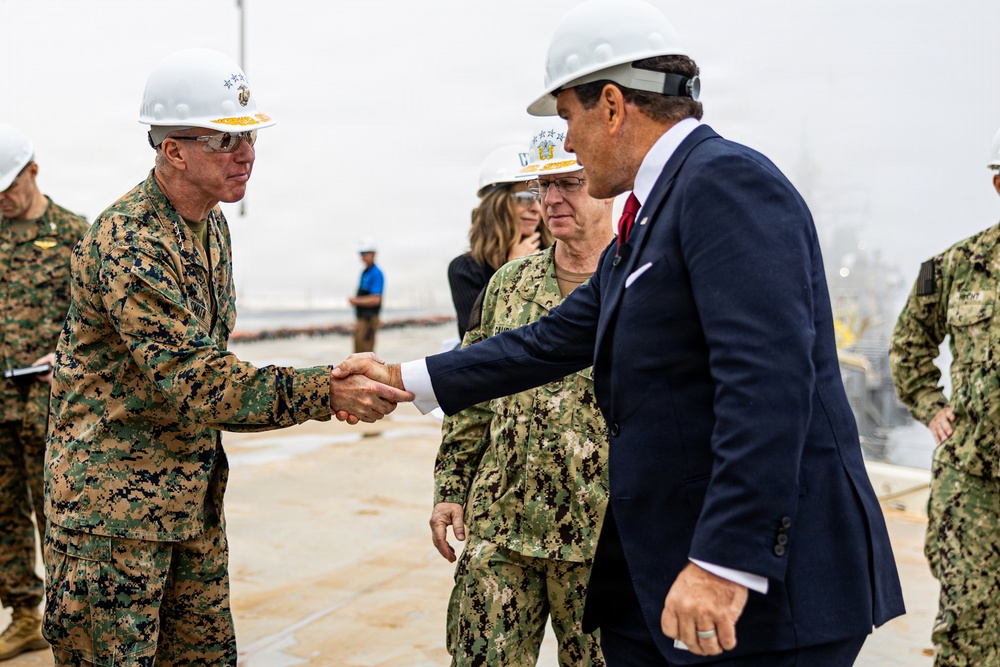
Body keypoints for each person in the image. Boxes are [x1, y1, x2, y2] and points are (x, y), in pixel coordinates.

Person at [335, 1, 905, 664]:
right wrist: (406, 378)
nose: (568, 141)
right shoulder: (650, 216)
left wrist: (724, 560)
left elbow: (768, 384)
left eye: (567, 118)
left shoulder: (725, 184)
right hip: (661, 572)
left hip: (760, 600)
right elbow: (548, 340)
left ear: (610, 105)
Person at [41, 48, 410, 667]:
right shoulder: (128, 241)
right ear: (172, 150)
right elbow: (197, 380)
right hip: (112, 518)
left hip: (189, 502)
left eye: (250, 138)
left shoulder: (210, 226)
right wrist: (327, 389)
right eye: (224, 141)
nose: (247, 156)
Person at [431, 123, 613, 666]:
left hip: (601, 538)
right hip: (500, 530)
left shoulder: (638, 285)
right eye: (541, 187)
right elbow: (473, 391)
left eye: (570, 184)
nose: (550, 200)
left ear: (607, 186)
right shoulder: (508, 283)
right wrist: (450, 486)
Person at [889, 126, 1000, 667]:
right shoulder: (957, 267)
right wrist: (932, 407)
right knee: (969, 632)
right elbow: (910, 344)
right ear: (999, 184)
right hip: (973, 486)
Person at [0, 124, 89, 661]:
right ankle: (24, 615)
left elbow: (96, 323)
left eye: (8, 186)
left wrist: (68, 357)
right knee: (4, 515)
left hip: (51, 407)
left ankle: (70, 624)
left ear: (33, 171)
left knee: (59, 519)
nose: (2, 199)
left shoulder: (76, 235)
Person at [447, 144, 552, 339]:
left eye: (539, 197)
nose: (537, 209)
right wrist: (512, 271)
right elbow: (478, 343)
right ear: (495, 205)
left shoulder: (558, 256)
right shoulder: (465, 270)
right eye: (525, 197)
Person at [349, 239, 384, 353]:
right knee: (357, 351)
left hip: (369, 320)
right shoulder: (365, 272)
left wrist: (356, 301)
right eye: (361, 254)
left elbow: (376, 299)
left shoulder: (376, 273)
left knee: (366, 354)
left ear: (373, 254)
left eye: (365, 253)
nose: (362, 257)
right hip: (361, 318)